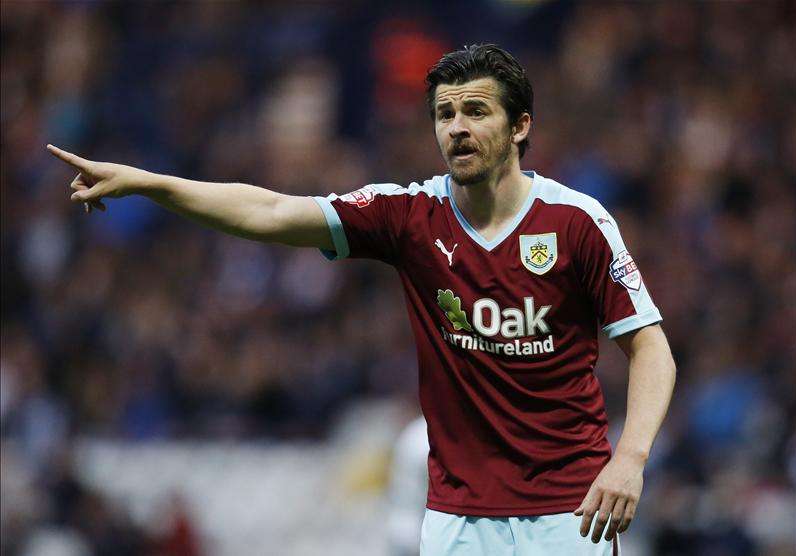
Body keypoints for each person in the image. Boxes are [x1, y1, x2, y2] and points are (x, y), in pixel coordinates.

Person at [48, 44, 676, 555]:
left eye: (476, 111)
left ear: (520, 126)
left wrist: (630, 459)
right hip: (457, 521)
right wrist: (153, 184)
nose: (457, 128)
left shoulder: (577, 222)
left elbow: (651, 348)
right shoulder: (409, 215)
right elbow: (272, 212)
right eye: (445, 114)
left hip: (568, 513)